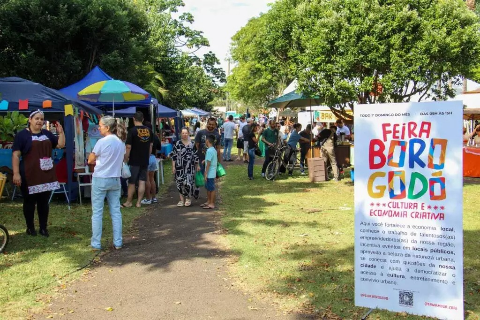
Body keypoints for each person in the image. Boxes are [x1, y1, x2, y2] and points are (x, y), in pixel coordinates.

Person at [12, 110, 65, 237]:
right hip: (29, 174)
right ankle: (30, 228)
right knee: (29, 202)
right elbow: (15, 154)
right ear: (30, 120)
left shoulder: (46, 133)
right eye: (37, 118)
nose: (39, 121)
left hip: (46, 173)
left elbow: (60, 144)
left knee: (43, 202)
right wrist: (16, 173)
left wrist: (61, 133)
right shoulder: (22, 135)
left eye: (41, 119)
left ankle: (43, 228)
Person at [87, 116, 126, 250]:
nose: (99, 128)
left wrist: (95, 157)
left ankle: (96, 243)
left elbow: (90, 159)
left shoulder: (101, 142)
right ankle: (118, 242)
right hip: (115, 178)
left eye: (100, 126)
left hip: (101, 178)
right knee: (115, 211)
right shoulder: (121, 143)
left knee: (97, 212)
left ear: (107, 127)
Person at [123, 111, 153, 208]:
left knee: (132, 182)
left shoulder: (132, 131)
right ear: (143, 119)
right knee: (142, 181)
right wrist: (147, 156)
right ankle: (139, 202)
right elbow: (150, 146)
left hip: (134, 159)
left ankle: (129, 202)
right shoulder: (149, 130)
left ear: (133, 119)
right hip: (144, 159)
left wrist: (125, 158)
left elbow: (128, 147)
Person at [171, 128, 199, 207]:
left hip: (190, 167)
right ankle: (181, 200)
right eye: (183, 133)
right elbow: (174, 156)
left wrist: (198, 166)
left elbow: (196, 156)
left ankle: (188, 198)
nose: (184, 135)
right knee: (179, 183)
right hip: (179, 167)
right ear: (180, 134)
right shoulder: (177, 144)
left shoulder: (192, 144)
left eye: (186, 133)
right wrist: (173, 167)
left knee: (188, 183)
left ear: (188, 134)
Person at [142, 122, 162, 205]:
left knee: (146, 179)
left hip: (146, 157)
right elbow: (159, 148)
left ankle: (148, 198)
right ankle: (154, 197)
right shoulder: (155, 136)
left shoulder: (144, 137)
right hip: (153, 158)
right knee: (152, 178)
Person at [202, 135, 218, 209]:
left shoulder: (209, 151)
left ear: (207, 141)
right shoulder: (213, 150)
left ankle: (211, 203)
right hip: (212, 172)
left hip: (210, 173)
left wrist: (205, 173)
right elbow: (211, 160)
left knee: (211, 188)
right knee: (209, 187)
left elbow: (208, 163)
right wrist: (204, 160)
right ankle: (209, 201)